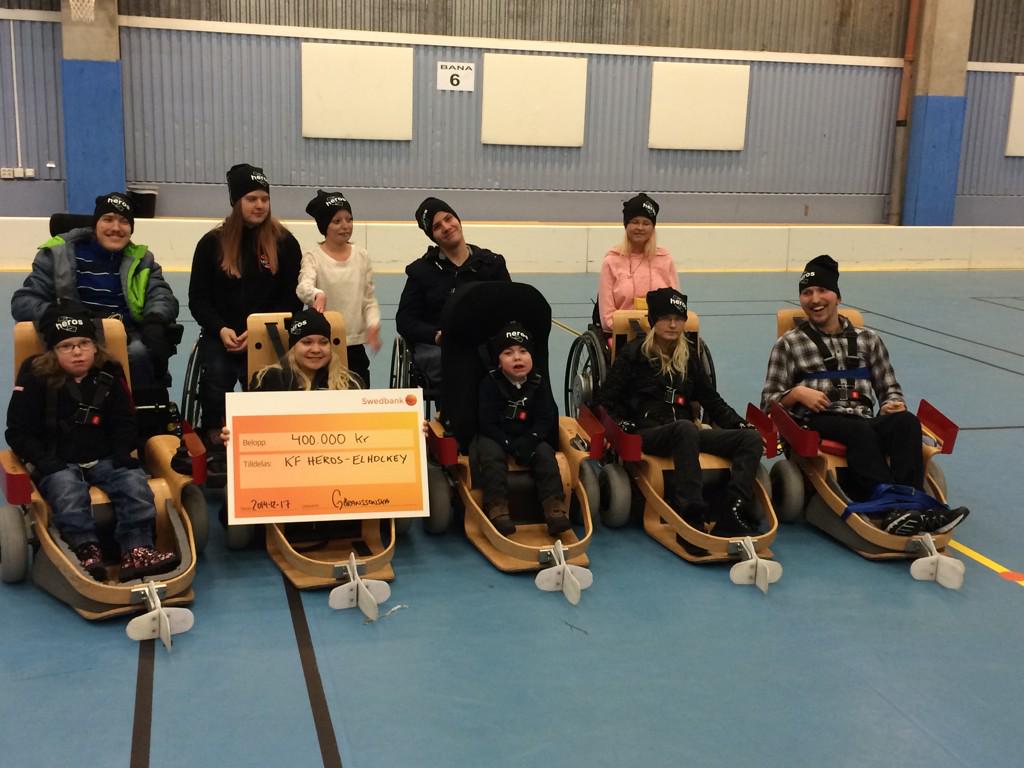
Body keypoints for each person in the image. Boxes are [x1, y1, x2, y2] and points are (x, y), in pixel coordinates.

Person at [761, 254, 969, 535]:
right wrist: (797, 393)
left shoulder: (868, 340)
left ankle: (913, 505)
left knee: (906, 422)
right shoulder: (789, 344)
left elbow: (889, 388)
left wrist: (893, 404)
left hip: (862, 419)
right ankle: (887, 506)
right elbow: (768, 403)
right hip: (818, 421)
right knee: (858, 431)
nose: (815, 299)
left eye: (822, 290)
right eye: (807, 293)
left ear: (838, 296)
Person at [5, 305, 180, 582]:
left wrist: (122, 452)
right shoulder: (36, 379)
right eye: (67, 346)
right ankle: (84, 548)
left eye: (84, 344)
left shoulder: (109, 374)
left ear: (94, 347)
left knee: (134, 484)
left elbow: (125, 421)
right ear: (53, 351)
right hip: (58, 461)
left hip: (106, 457)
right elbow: (17, 432)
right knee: (66, 491)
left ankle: (137, 549)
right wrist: (45, 462)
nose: (77, 352)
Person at [600, 288, 763, 537]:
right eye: (666, 318)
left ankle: (734, 509)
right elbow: (606, 400)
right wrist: (621, 424)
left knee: (750, 439)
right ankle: (691, 513)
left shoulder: (689, 356)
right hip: (648, 433)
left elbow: (711, 400)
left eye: (678, 319)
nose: (673, 325)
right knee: (685, 428)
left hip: (686, 435)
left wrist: (740, 424)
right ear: (653, 321)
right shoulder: (633, 354)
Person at [11, 192, 179, 389]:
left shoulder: (143, 260)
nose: (116, 228)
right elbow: (24, 301)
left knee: (139, 353)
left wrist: (155, 320)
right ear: (95, 224)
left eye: (124, 221)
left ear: (131, 229)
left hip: (124, 335)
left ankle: (133, 405)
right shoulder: (58, 254)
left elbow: (161, 295)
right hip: (73, 332)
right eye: (108, 219)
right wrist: (59, 314)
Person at [188, 163, 302, 446]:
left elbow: (293, 299)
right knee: (217, 375)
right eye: (251, 199)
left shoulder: (285, 243)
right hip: (223, 334)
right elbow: (198, 299)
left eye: (264, 199)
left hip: (269, 332)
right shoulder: (211, 243)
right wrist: (220, 328)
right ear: (236, 201)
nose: (259, 205)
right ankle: (215, 434)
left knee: (271, 379)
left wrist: (259, 330)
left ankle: (269, 438)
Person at [395, 197, 510, 386]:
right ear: (433, 236)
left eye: (448, 219)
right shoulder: (421, 272)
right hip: (442, 350)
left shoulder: (492, 264)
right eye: (437, 226)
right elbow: (405, 321)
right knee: (460, 362)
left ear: (458, 220)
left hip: (486, 343)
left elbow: (510, 309)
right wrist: (436, 335)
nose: (447, 227)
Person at [470, 322, 568, 536]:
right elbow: (486, 421)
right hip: (496, 435)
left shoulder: (538, 383)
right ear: (498, 360)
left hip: (527, 434)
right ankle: (497, 508)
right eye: (508, 353)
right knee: (491, 457)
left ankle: (554, 508)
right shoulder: (490, 383)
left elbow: (545, 418)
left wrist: (531, 439)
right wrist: (507, 443)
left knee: (545, 454)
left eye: (523, 351)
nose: (517, 357)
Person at [296, 190, 381, 387]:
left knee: (357, 392)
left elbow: (369, 299)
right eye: (337, 221)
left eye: (349, 219)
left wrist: (373, 324)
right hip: (323, 346)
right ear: (324, 226)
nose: (345, 226)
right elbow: (303, 287)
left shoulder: (361, 256)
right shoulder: (313, 257)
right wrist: (316, 294)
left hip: (354, 346)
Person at [597, 193, 679, 333]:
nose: (640, 227)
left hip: (661, 335)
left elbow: (676, 308)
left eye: (646, 223)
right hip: (623, 334)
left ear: (652, 227)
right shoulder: (611, 261)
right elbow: (607, 318)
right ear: (626, 225)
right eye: (635, 222)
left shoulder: (665, 260)